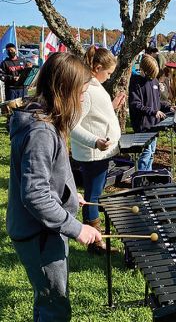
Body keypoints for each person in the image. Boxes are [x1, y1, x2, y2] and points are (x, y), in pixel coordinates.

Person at [6, 52, 102, 322]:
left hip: (43, 231)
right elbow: (35, 195)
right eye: (81, 92)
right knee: (54, 308)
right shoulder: (41, 132)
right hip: (40, 236)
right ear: (66, 90)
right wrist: (77, 228)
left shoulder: (44, 120)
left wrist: (70, 194)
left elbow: (46, 177)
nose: (83, 99)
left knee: (49, 301)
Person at [70, 46, 126, 255]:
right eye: (108, 73)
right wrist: (95, 142)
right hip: (94, 155)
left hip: (100, 153)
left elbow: (95, 115)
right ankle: (95, 243)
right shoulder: (87, 89)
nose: (109, 77)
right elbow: (73, 124)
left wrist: (112, 107)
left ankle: (95, 239)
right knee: (93, 196)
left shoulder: (94, 85)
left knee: (95, 194)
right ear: (97, 68)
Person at [129, 55, 173, 171]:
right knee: (146, 153)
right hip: (142, 125)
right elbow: (135, 104)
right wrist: (153, 112)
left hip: (154, 125)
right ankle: (141, 177)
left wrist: (168, 107)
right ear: (143, 69)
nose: (152, 77)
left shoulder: (154, 81)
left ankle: (148, 176)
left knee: (152, 152)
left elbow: (157, 102)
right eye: (151, 74)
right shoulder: (136, 82)